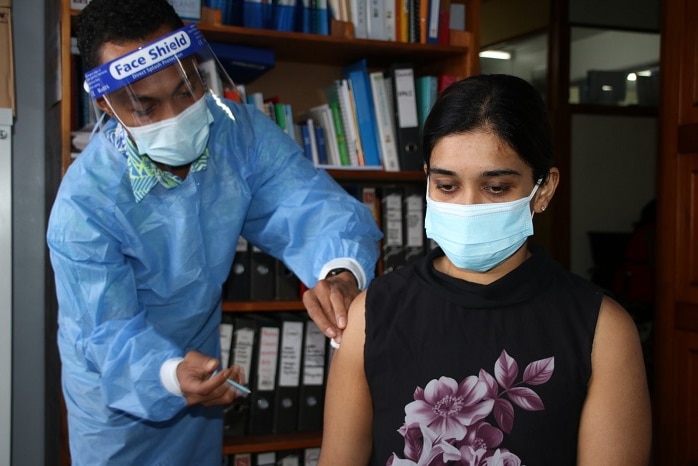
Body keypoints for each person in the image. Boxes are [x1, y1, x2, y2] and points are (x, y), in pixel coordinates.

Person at [46, 0, 381, 464]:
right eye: (145, 106)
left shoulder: (235, 133)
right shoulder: (83, 205)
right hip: (122, 392)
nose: (176, 115)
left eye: (186, 89)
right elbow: (106, 332)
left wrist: (340, 272)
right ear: (105, 102)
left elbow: (307, 205)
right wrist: (167, 373)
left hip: (200, 360)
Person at [319, 74, 651, 465]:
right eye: (446, 186)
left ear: (543, 189)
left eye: (495, 188)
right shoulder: (373, 312)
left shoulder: (602, 330)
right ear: (427, 179)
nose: (468, 207)